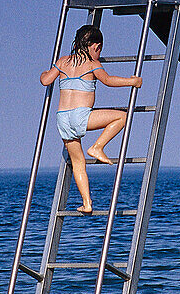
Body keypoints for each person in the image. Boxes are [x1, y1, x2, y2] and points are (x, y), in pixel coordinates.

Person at [40, 25, 142, 214]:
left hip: (62, 119)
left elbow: (46, 80)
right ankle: (97, 147)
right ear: (95, 46)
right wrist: (132, 81)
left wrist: (44, 73)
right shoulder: (92, 64)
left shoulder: (63, 61)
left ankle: (87, 203)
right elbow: (108, 80)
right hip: (81, 115)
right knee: (122, 116)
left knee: (78, 162)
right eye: (99, 50)